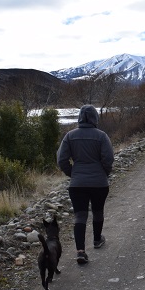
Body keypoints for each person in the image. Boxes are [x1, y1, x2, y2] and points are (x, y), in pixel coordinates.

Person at [57, 105, 114, 265]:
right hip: (99, 182)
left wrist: (73, 173)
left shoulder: (69, 136)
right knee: (98, 211)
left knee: (80, 216)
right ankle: (97, 240)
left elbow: (61, 160)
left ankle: (81, 251)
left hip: (77, 184)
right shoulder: (102, 136)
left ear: (80, 118)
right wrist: (104, 173)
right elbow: (108, 159)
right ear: (95, 117)